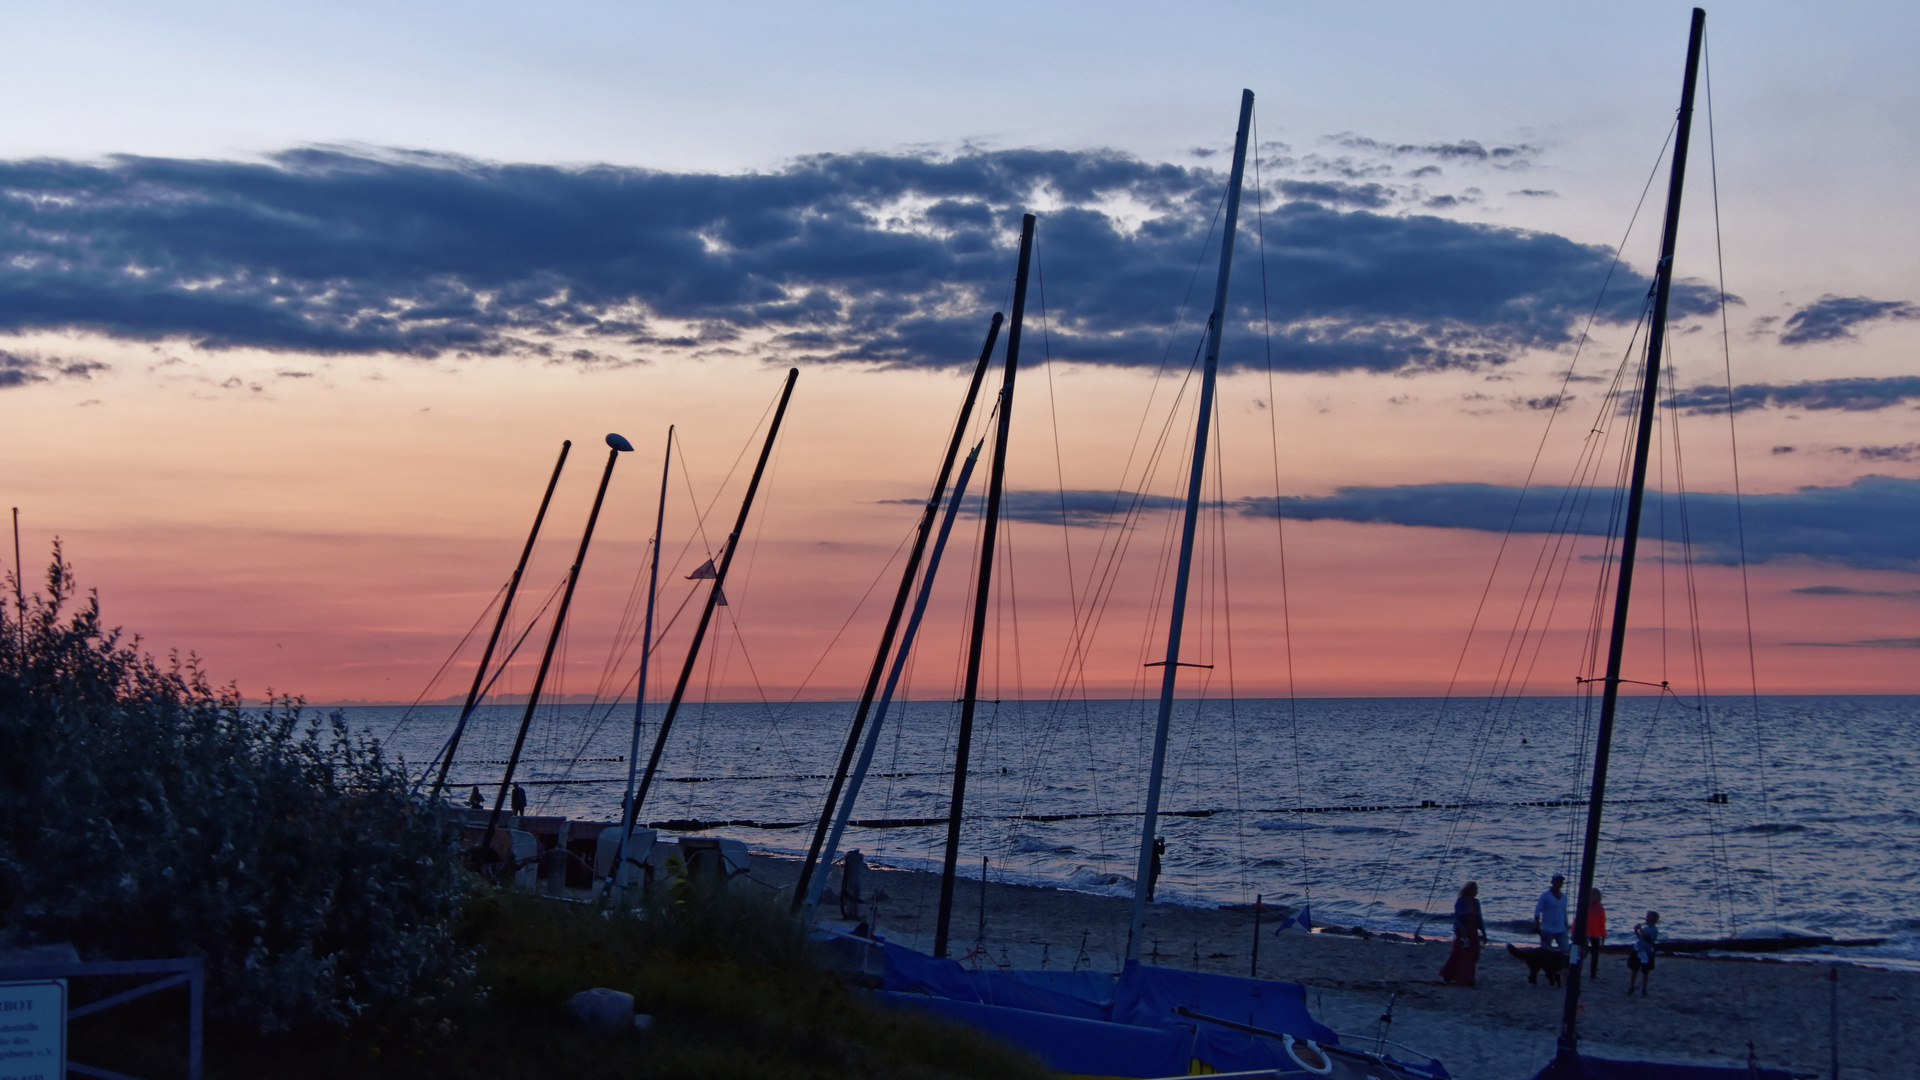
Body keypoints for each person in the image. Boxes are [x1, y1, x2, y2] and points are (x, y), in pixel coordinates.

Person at [1439, 881, 1488, 987]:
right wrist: (1462, 928)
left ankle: (1462, 976)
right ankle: (1465, 978)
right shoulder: (1461, 901)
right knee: (1462, 954)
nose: (1476, 892)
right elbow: (1457, 917)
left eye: (1477, 890)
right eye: (1474, 889)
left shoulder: (1476, 902)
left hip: (1473, 931)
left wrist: (1484, 934)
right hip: (1463, 932)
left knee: (1475, 954)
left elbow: (1479, 918)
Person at [1533, 873, 1570, 952]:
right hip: (1547, 929)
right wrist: (1537, 925)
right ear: (1552, 882)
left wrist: (1566, 925)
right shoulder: (1545, 895)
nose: (1559, 883)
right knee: (1545, 952)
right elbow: (1537, 911)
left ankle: (1563, 964)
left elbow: (1564, 912)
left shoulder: (1564, 897)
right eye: (1557, 881)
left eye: (1561, 882)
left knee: (1566, 950)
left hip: (1561, 929)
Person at [1627, 911, 1660, 996]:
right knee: (1634, 969)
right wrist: (1636, 930)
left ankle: (1644, 989)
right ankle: (1632, 986)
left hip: (1647, 953)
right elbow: (1640, 938)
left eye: (1648, 918)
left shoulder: (1654, 930)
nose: (1646, 919)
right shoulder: (1646, 929)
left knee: (1645, 972)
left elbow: (1647, 938)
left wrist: (1640, 929)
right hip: (1638, 950)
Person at [1583, 888, 1607, 979]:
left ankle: (1593, 974)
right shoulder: (1585, 906)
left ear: (1598, 897)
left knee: (1595, 955)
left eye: (1595, 895)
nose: (1593, 897)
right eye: (1591, 894)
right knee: (1582, 953)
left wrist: (1603, 935)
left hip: (1595, 934)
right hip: (1585, 933)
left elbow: (1602, 923)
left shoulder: (1600, 908)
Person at [839, 849, 867, 920]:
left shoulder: (858, 857)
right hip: (853, 878)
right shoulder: (854, 857)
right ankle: (852, 913)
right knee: (852, 892)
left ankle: (855, 913)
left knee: (855, 892)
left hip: (854, 878)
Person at [1148, 837, 1166, 901]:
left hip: (1148, 865)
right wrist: (1162, 843)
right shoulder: (1154, 843)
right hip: (1154, 865)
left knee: (1148, 881)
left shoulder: (1147, 843)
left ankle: (1147, 896)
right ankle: (1150, 897)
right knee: (1152, 882)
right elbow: (1161, 852)